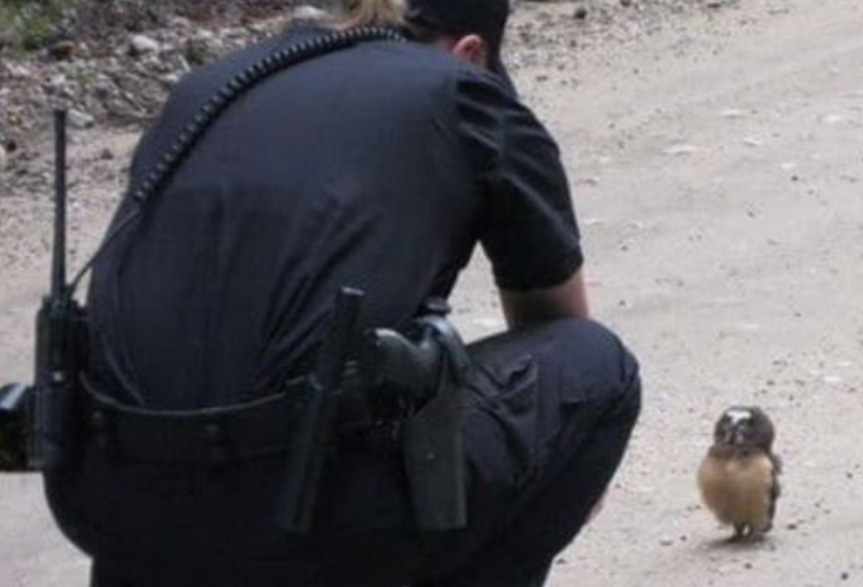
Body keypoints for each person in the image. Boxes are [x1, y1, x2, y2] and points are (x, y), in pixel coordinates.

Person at [42, 0, 642, 586]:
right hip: (302, 511)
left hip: (109, 503)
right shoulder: (463, 90)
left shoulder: (205, 89)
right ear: (471, 50)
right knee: (597, 369)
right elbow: (554, 320)